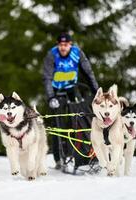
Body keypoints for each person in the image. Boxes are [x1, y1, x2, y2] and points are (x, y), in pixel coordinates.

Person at [43, 32, 98, 169]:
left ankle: (82, 152)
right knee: (58, 123)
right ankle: (58, 159)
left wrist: (97, 92)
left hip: (72, 89)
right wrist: (51, 97)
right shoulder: (52, 55)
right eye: (61, 45)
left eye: (66, 45)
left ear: (70, 45)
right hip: (56, 92)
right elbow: (47, 77)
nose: (63, 48)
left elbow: (88, 72)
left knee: (80, 118)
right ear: (57, 45)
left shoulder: (77, 53)